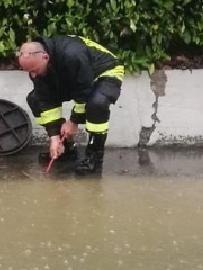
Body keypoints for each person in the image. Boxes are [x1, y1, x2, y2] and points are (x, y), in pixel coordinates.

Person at [17, 35, 124, 174]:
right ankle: (66, 149)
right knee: (35, 99)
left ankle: (94, 157)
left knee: (97, 103)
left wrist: (74, 121)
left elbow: (84, 89)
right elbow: (46, 98)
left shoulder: (73, 54)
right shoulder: (37, 69)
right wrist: (54, 137)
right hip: (71, 77)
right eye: (29, 72)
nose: (33, 75)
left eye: (35, 70)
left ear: (45, 57)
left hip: (104, 71)